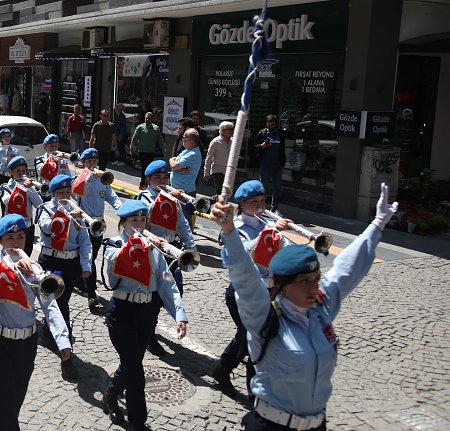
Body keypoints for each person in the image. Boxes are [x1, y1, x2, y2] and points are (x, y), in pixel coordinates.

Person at [210, 183, 397, 431]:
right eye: (303, 282)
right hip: (272, 424)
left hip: (316, 424)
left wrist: (376, 226)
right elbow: (244, 275)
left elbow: (345, 271)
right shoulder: (266, 317)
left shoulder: (319, 308)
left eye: (315, 280)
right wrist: (230, 230)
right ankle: (231, 375)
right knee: (245, 338)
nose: (313, 289)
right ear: (284, 285)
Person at [0, 214, 72, 431]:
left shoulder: (34, 269)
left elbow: (50, 306)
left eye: (20, 237)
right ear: (0, 241)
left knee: (15, 400)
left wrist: (63, 340)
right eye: (9, 238)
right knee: (6, 404)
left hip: (26, 344)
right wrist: (14, 268)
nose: (16, 243)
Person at [101, 200, 188, 430]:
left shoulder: (154, 250)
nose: (139, 224)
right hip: (122, 313)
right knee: (136, 371)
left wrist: (179, 314)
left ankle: (111, 392)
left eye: (143, 220)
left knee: (132, 363)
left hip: (146, 312)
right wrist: (137, 245)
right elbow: (109, 275)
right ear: (123, 223)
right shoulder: (114, 245)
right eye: (134, 221)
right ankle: (138, 422)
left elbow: (166, 283)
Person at [212, 180, 291, 396]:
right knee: (251, 337)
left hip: (269, 290)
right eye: (254, 202)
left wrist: (281, 234)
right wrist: (269, 232)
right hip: (242, 291)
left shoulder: (267, 223)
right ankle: (251, 390)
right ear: (242, 204)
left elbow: (285, 251)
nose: (260, 205)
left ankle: (225, 370)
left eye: (263, 200)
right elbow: (242, 253)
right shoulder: (233, 226)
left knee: (254, 337)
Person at [136, 160, 196, 356]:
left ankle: (153, 323)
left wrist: (191, 248)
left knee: (175, 289)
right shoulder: (144, 197)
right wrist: (164, 198)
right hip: (153, 249)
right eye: (158, 178)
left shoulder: (172, 200)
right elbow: (141, 223)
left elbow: (183, 225)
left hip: (173, 250)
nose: (162, 180)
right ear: (149, 180)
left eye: (165, 177)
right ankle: (149, 336)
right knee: (154, 296)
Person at [35, 174, 92, 381]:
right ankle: (66, 357)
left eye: (68, 192)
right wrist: (65, 213)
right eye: (61, 193)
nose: (66, 196)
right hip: (51, 262)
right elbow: (48, 228)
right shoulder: (45, 210)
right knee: (59, 305)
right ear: (53, 194)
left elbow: (85, 241)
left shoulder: (77, 211)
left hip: (71, 263)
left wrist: (86, 266)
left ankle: (50, 331)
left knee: (62, 301)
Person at [72, 148, 122, 308]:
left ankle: (81, 279)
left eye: (95, 161)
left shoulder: (103, 180)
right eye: (89, 162)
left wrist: (120, 208)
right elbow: (74, 192)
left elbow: (110, 196)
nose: (93, 164)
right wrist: (87, 177)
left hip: (98, 223)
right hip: (84, 223)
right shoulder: (79, 178)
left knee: (91, 257)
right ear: (84, 163)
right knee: (88, 256)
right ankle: (91, 292)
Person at [0, 156, 43, 257]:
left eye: (23, 171)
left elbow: (39, 204)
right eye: (18, 171)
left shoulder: (29, 187)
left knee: (26, 256)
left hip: (28, 227)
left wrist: (31, 189)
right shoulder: (5, 188)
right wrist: (22, 188)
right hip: (12, 228)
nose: (21, 173)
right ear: (11, 172)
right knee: (11, 256)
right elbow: (9, 202)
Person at [254, 114, 287, 213]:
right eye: (269, 124)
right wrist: (261, 146)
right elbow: (254, 147)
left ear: (276, 124)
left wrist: (283, 162)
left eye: (272, 124)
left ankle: (274, 208)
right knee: (263, 187)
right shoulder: (262, 133)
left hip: (277, 165)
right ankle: (260, 207)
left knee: (277, 187)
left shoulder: (280, 134)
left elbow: (283, 149)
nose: (270, 126)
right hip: (265, 165)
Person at [130, 112, 165, 190]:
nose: (147, 120)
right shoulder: (140, 127)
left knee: (150, 168)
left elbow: (160, 139)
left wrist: (163, 148)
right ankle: (143, 183)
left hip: (151, 152)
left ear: (152, 119)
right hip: (142, 151)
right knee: (144, 168)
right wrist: (131, 147)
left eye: (149, 118)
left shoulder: (156, 128)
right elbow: (134, 138)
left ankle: (148, 183)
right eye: (146, 118)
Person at [169, 128, 203, 197]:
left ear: (190, 139)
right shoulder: (187, 151)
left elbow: (174, 166)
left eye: (184, 137)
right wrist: (171, 160)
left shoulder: (193, 154)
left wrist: (175, 165)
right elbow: (174, 160)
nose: (182, 139)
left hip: (184, 193)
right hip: (177, 190)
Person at [203, 121, 234, 192]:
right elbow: (209, 158)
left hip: (229, 171)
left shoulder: (233, 141)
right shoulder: (215, 142)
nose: (232, 131)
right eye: (230, 129)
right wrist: (206, 173)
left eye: (232, 129)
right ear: (223, 131)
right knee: (220, 191)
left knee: (227, 192)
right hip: (217, 170)